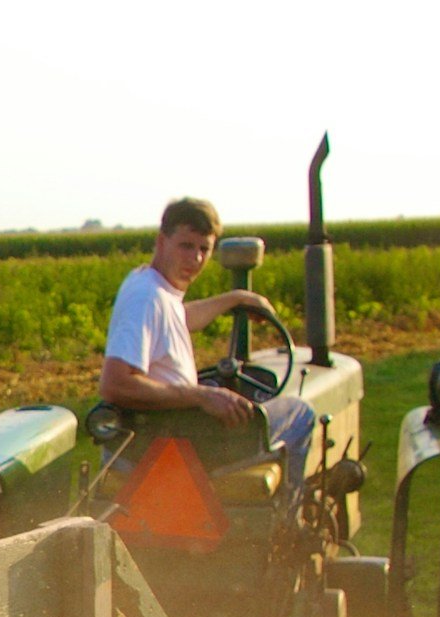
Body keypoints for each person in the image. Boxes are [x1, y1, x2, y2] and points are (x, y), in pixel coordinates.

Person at [100, 196, 315, 489]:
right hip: (180, 441)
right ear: (162, 241)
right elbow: (115, 385)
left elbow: (178, 319)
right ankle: (289, 527)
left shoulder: (153, 288)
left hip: (174, 430)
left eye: (204, 249)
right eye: (186, 246)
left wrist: (236, 298)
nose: (196, 259)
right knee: (299, 413)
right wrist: (202, 396)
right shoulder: (146, 298)